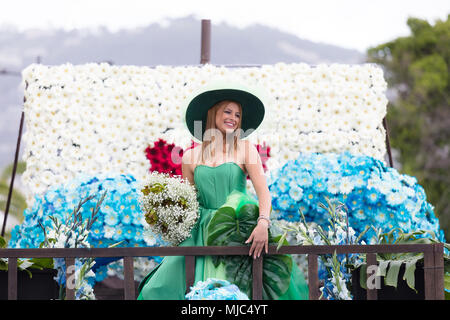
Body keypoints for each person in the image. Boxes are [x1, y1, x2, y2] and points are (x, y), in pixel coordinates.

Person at [137, 83, 308, 300]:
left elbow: (264, 193)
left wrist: (263, 223)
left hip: (237, 228)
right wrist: (167, 215)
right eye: (228, 111)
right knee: (159, 287)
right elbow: (189, 202)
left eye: (238, 114)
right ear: (213, 113)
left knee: (241, 288)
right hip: (200, 231)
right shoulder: (190, 157)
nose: (233, 118)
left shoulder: (246, 149)